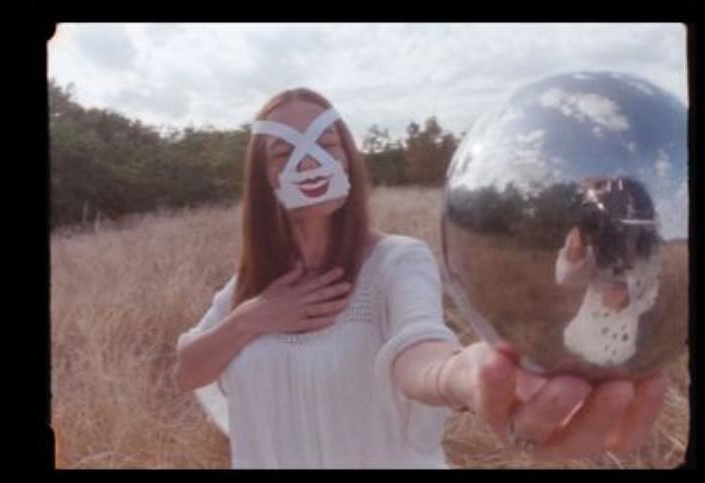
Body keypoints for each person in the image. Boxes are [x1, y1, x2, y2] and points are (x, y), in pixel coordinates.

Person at [173, 88, 668, 468]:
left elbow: (417, 350)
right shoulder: (250, 285)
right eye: (284, 153)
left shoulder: (395, 262)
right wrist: (254, 318)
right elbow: (188, 370)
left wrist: (459, 377)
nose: (308, 160)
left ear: (347, 157)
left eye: (325, 143)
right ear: (263, 178)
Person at [557, 178, 661, 367]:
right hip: (581, 335)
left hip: (617, 346)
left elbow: (651, 296)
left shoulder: (649, 257)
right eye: (615, 207)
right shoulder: (596, 240)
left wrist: (628, 301)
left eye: (628, 211)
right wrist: (575, 254)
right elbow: (567, 280)